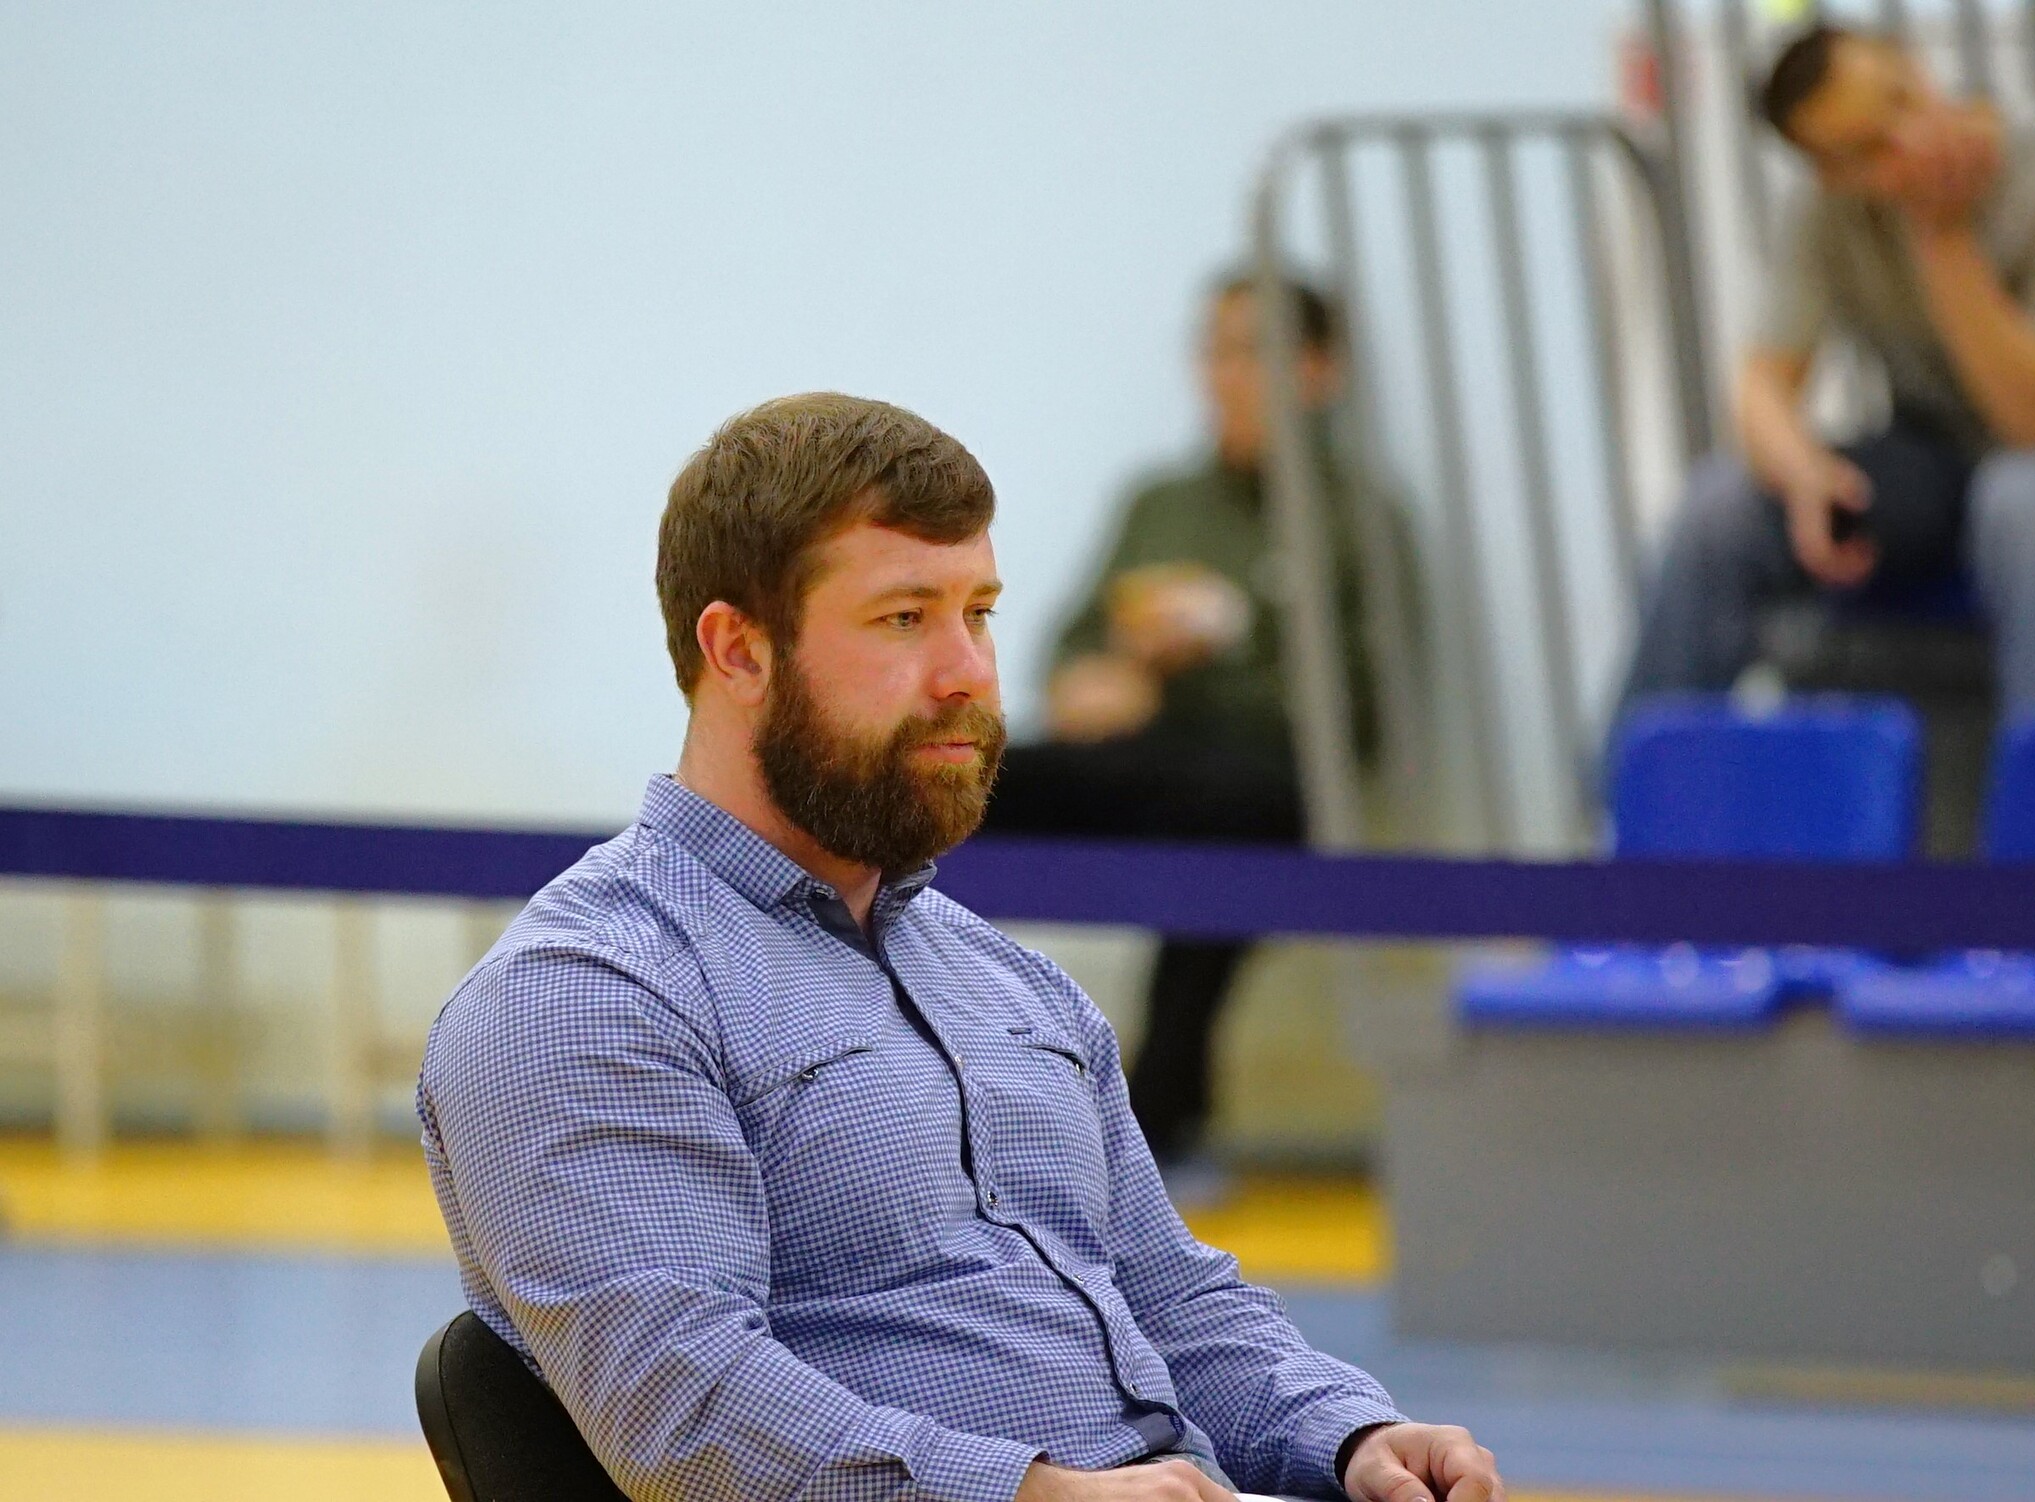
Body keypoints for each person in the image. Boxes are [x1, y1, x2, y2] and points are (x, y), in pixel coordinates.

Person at [417, 395, 1501, 1502]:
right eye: (903, 618)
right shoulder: (586, 993)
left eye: (977, 612)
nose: (969, 673)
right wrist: (1038, 1493)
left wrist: (1351, 1435)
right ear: (737, 648)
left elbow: (1172, 1299)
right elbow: (689, 1411)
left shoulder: (1007, 981)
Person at [981, 276, 1384, 1189]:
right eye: (1216, 352)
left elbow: (1357, 715)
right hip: (1129, 764)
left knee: (1229, 812)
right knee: (950, 783)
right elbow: (1075, 643)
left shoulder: (1360, 520)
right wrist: (1094, 679)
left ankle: (1158, 1121)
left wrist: (1203, 667)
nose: (1227, 377)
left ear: (1318, 371)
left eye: (1255, 352)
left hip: (1258, 778)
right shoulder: (1158, 501)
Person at [1618, 22, 2035, 730]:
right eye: (1870, 149)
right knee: (1718, 507)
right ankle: (1631, 809)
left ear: (1917, 65)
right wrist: (1805, 472)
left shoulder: (2030, 174)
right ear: (1832, 174)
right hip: (1933, 460)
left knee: (2023, 506)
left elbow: (2033, 428)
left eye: (1904, 100)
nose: (1909, 140)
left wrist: (1942, 239)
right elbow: (1762, 384)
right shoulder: (1829, 215)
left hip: (2028, 461)